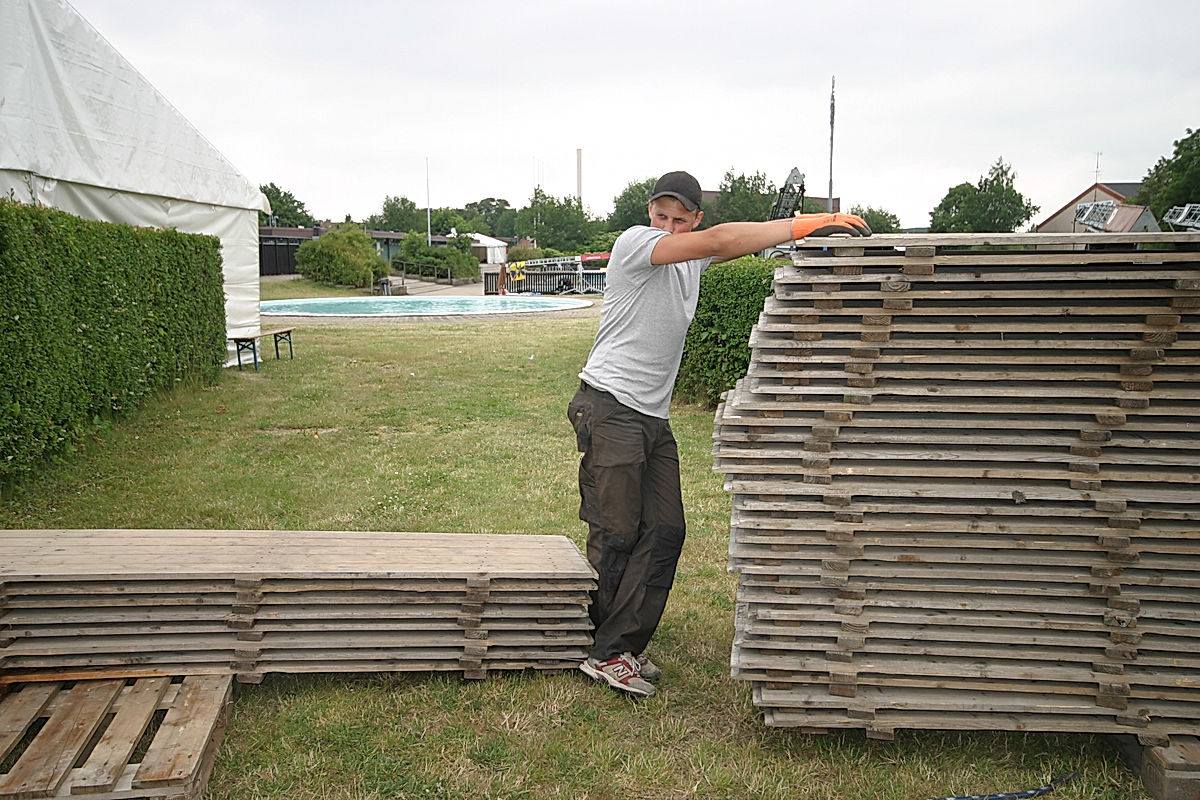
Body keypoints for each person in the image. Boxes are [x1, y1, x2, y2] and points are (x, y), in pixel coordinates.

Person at [567, 171, 870, 696]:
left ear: (694, 217)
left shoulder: (693, 260)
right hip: (610, 404)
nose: (669, 226)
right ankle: (603, 649)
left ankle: (619, 646)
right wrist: (814, 220)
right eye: (661, 215)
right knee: (616, 533)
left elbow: (737, 238)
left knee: (665, 530)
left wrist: (799, 233)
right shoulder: (637, 244)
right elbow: (718, 239)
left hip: (651, 418)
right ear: (650, 215)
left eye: (679, 219)